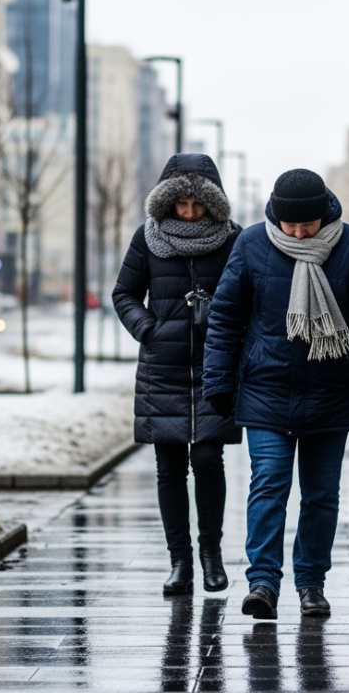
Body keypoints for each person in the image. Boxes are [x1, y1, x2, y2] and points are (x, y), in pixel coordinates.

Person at [203, 169, 349, 620]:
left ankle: (311, 583)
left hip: (332, 392)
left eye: (306, 226)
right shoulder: (252, 244)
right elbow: (226, 320)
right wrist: (217, 381)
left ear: (324, 214)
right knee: (269, 484)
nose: (297, 233)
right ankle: (263, 583)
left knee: (320, 495)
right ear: (276, 215)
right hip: (266, 390)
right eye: (290, 225)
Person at [113, 153, 241, 596]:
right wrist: (149, 329)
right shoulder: (147, 238)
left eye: (197, 204)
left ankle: (211, 555)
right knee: (169, 468)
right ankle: (180, 562)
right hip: (161, 370)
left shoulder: (233, 240)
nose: (189, 212)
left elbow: (248, 297)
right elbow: (124, 293)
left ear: (212, 204)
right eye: (181, 204)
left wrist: (229, 332)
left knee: (208, 459)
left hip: (215, 368)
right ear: (168, 203)